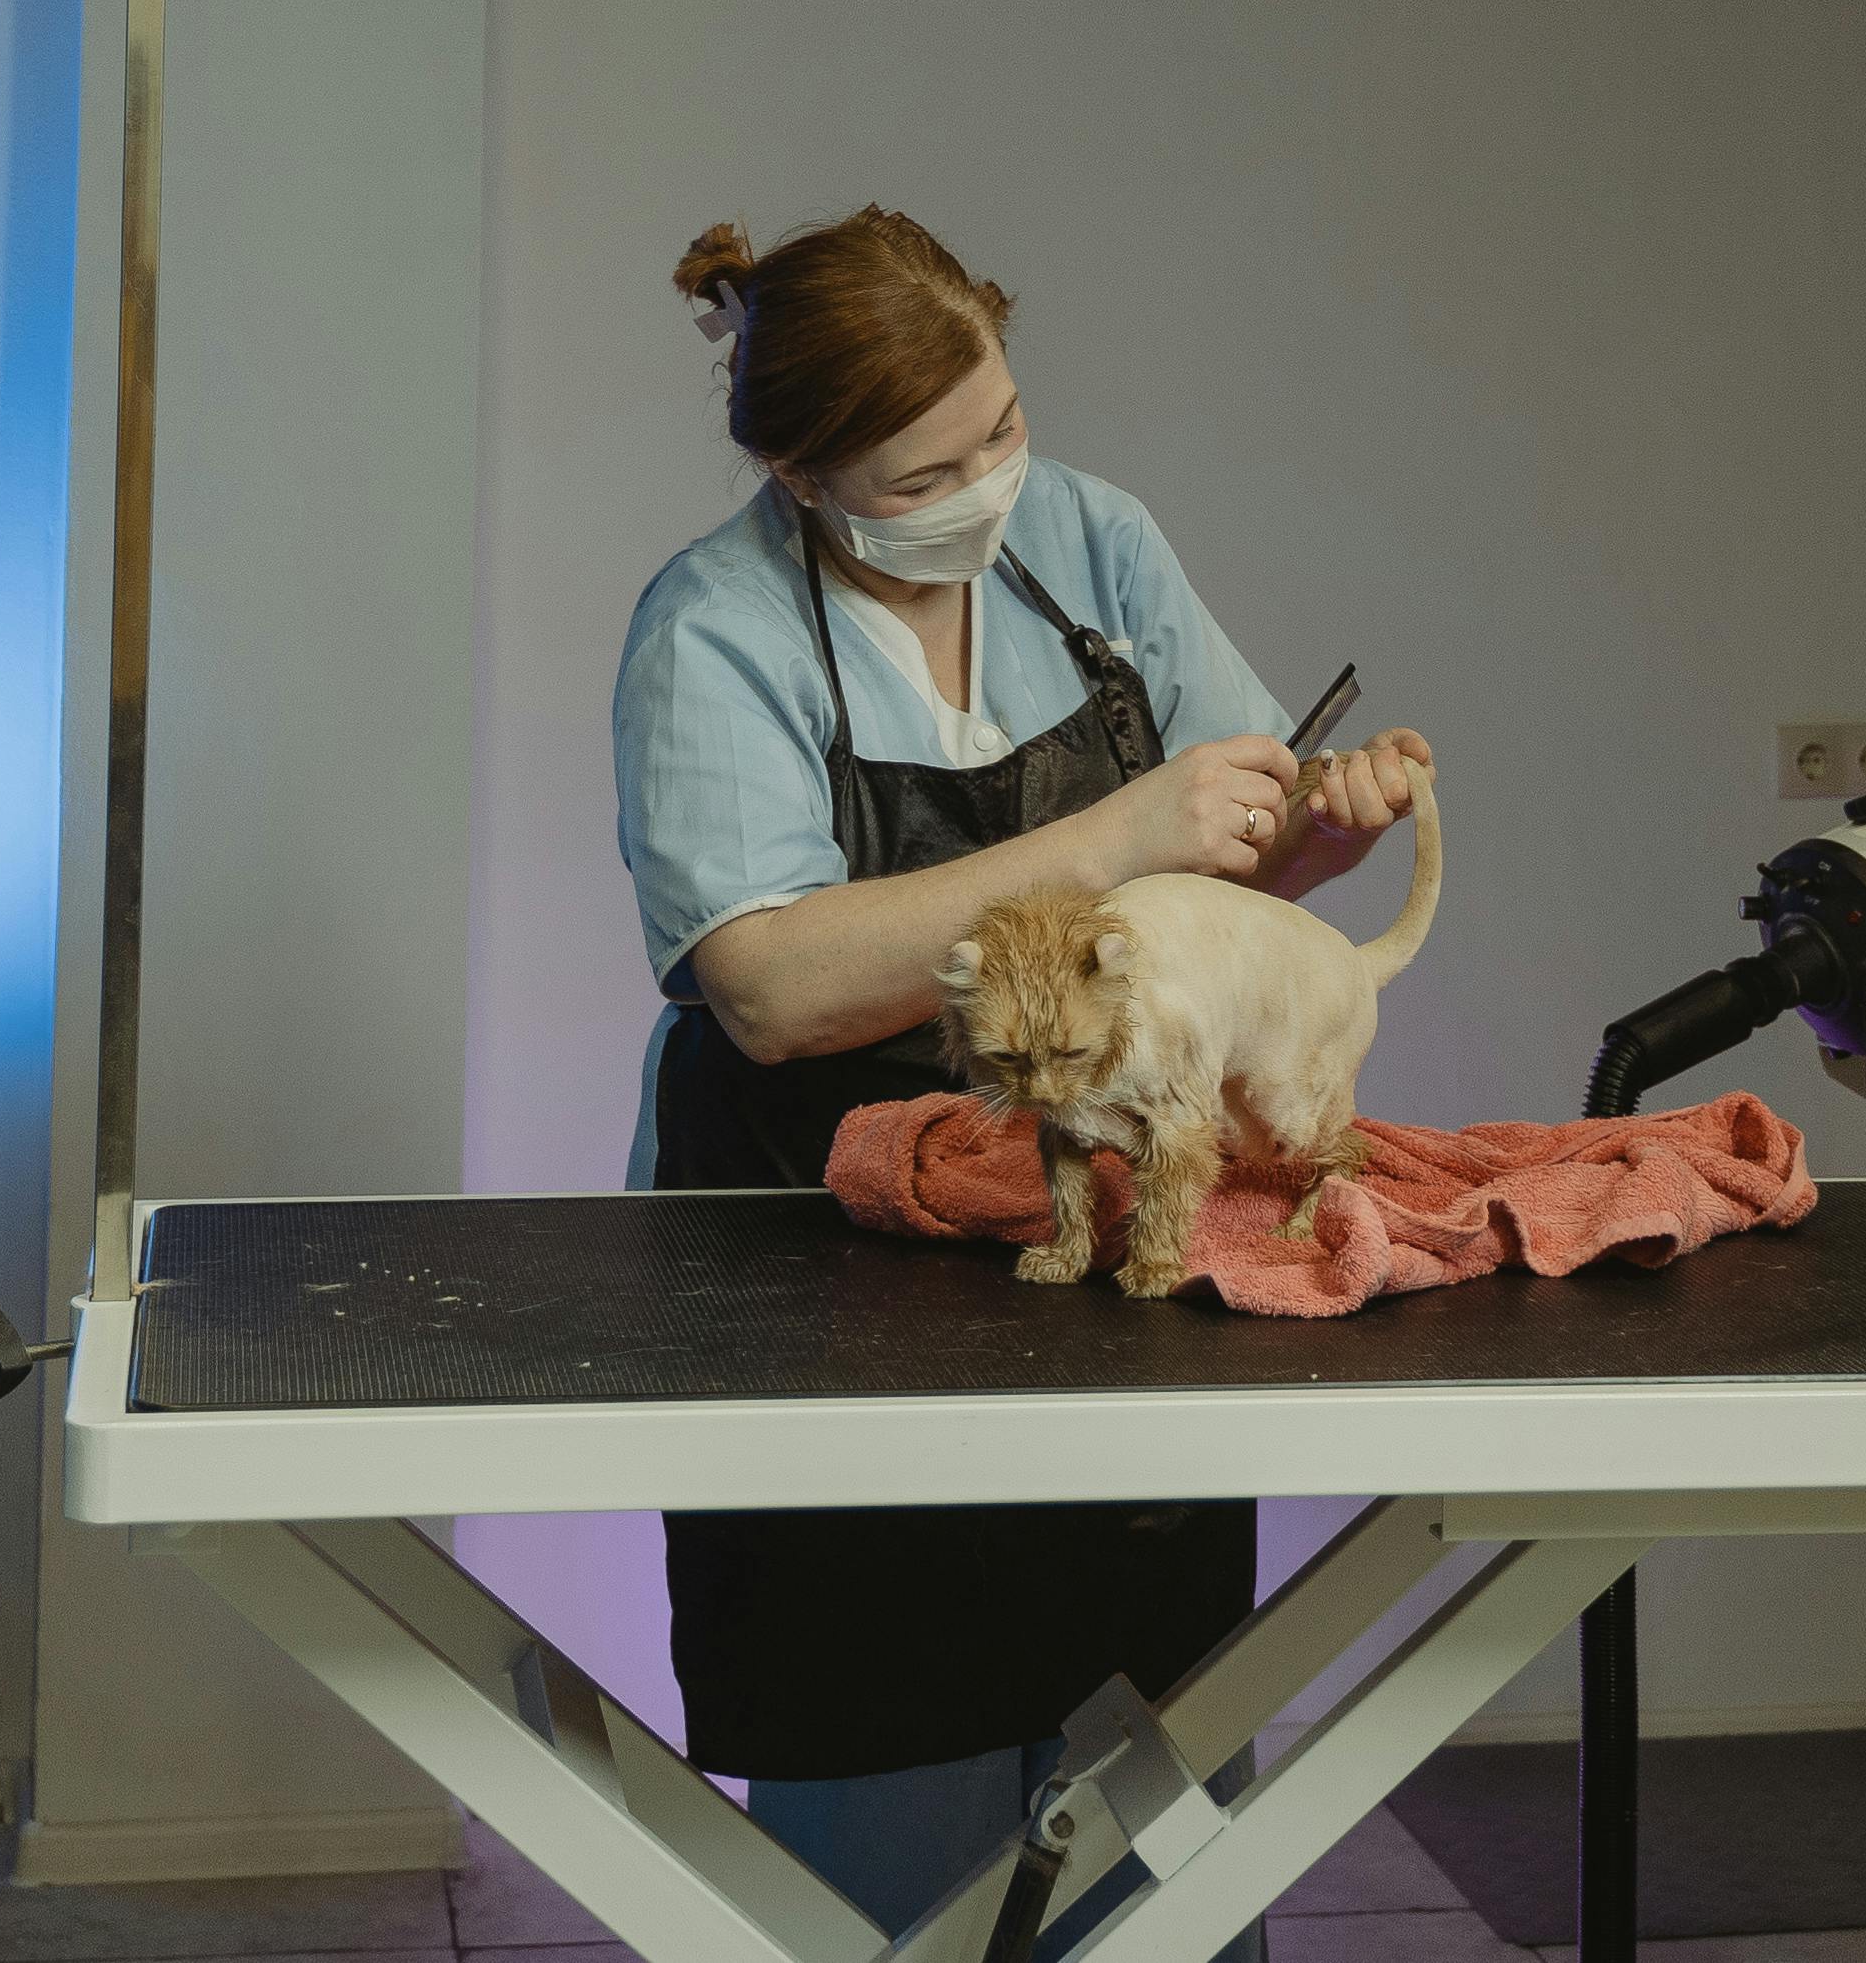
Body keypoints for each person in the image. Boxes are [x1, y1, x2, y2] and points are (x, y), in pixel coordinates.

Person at [612, 205, 1434, 1933]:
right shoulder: (715, 629)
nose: (987, 485)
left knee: (1156, 1798)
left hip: (1112, 1244)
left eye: (1000, 430)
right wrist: (1115, 832)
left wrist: (1317, 843)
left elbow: (1226, 869)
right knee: (892, 1823)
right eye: (923, 475)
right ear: (801, 475)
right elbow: (766, 985)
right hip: (824, 1267)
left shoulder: (1092, 546)